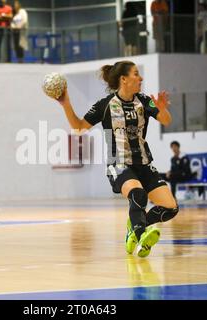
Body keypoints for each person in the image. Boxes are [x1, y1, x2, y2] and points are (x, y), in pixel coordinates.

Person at [52, 61, 178, 257]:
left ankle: (135, 226)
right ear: (124, 79)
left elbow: (166, 120)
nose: (141, 78)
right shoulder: (105, 106)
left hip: (144, 164)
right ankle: (141, 234)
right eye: (136, 74)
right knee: (138, 195)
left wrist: (162, 109)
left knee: (171, 208)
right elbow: (78, 128)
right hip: (118, 164)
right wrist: (65, 103)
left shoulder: (144, 101)